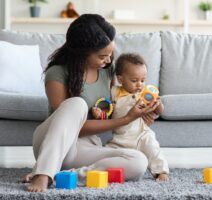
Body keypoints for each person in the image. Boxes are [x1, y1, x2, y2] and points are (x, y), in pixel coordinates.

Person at [22, 14, 159, 192]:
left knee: (139, 161)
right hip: (56, 143)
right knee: (77, 104)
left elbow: (112, 108)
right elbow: (71, 125)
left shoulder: (107, 71)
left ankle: (68, 175)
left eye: (110, 54)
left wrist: (141, 113)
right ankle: (43, 173)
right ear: (82, 52)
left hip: (87, 148)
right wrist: (126, 119)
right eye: (103, 56)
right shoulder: (57, 73)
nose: (109, 61)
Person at [94, 53, 169, 181]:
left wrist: (158, 104)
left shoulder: (145, 92)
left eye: (142, 80)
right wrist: (100, 113)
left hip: (141, 134)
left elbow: (159, 111)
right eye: (134, 81)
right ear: (120, 79)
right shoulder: (114, 92)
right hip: (120, 138)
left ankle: (161, 172)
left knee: (153, 148)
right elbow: (110, 110)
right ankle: (95, 170)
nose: (139, 84)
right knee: (104, 154)